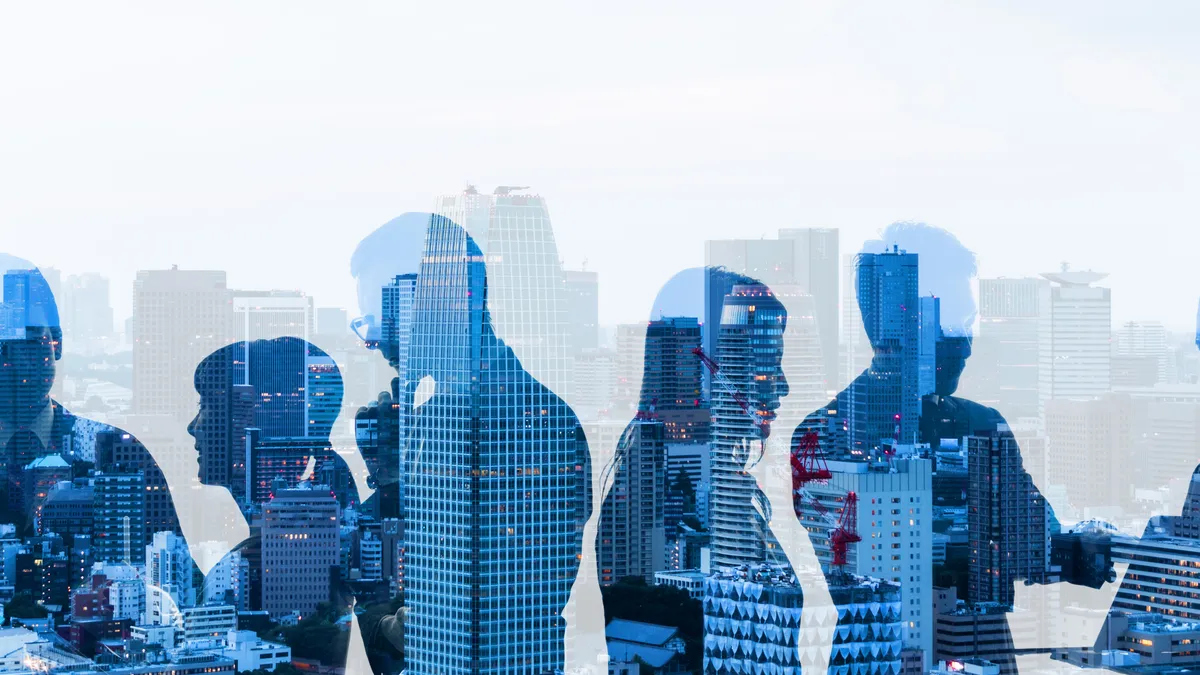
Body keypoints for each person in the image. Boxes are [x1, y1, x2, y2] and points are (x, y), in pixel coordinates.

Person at [0, 254, 184, 616]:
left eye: (27, 343)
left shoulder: (111, 447)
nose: (9, 361)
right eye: (2, 346)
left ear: (59, 344)